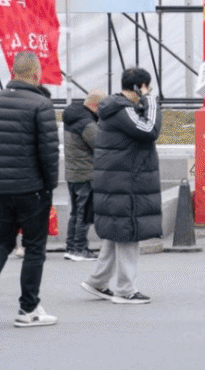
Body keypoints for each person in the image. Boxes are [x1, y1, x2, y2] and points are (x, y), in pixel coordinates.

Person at [0, 51, 58, 327]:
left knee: (2, 241)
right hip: (33, 188)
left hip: (1, 188)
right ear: (35, 75)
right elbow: (49, 153)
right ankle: (28, 309)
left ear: (13, 73)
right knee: (34, 248)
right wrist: (50, 185)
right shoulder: (41, 104)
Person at [82, 67, 163, 305]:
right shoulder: (122, 110)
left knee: (116, 233)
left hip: (120, 181)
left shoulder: (117, 108)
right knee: (128, 233)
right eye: (147, 88)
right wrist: (151, 101)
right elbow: (150, 129)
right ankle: (125, 290)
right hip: (126, 182)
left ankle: (97, 282)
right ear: (140, 87)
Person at [62, 89, 107, 261]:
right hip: (86, 174)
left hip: (73, 174)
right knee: (85, 214)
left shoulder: (73, 117)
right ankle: (79, 249)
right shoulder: (87, 123)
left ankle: (71, 247)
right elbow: (100, 144)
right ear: (96, 105)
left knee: (75, 212)